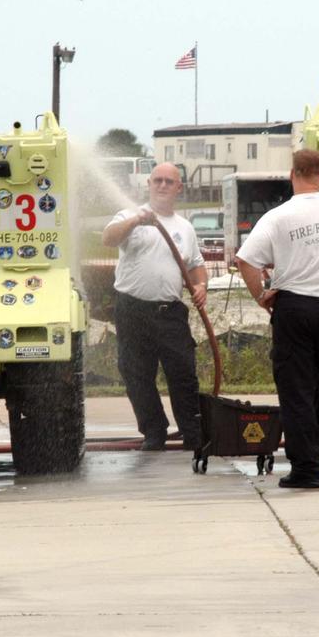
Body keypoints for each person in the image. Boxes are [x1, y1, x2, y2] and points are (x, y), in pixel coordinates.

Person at [236, 149, 319, 488]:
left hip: (293, 308)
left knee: (298, 391)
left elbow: (246, 260)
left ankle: (307, 470)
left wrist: (261, 296)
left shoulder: (278, 216)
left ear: (292, 173)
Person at [101, 163, 208, 451]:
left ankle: (193, 432)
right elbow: (108, 238)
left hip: (170, 312)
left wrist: (200, 286)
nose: (162, 186)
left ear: (178, 188)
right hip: (132, 309)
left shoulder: (184, 228)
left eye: (168, 181)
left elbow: (196, 265)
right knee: (137, 374)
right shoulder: (129, 216)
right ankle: (154, 432)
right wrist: (136, 221)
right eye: (157, 180)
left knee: (183, 373)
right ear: (148, 184)